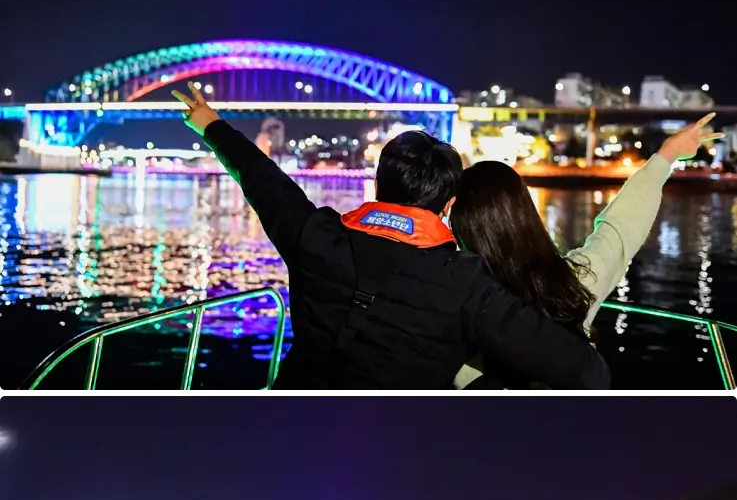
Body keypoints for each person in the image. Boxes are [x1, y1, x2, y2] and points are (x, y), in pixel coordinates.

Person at [172, 83, 609, 393]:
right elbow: (583, 372)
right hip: (394, 451)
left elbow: (262, 179)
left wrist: (211, 124)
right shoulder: (467, 285)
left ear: (379, 185)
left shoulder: (315, 237)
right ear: (449, 204)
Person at [450, 114, 724, 393]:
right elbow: (619, 229)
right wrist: (668, 155)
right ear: (525, 214)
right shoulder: (570, 284)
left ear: (461, 223)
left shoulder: (452, 294)